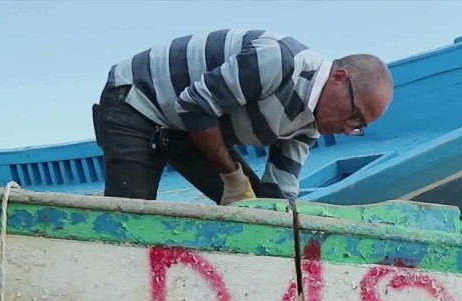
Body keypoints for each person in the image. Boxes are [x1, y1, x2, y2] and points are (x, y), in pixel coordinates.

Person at [92, 30, 394, 205]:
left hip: (187, 126)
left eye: (359, 127)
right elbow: (195, 106)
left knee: (253, 209)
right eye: (355, 116)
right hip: (136, 100)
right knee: (131, 215)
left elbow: (277, 197)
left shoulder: (306, 126)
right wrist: (230, 175)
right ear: (339, 78)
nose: (346, 129)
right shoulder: (278, 60)